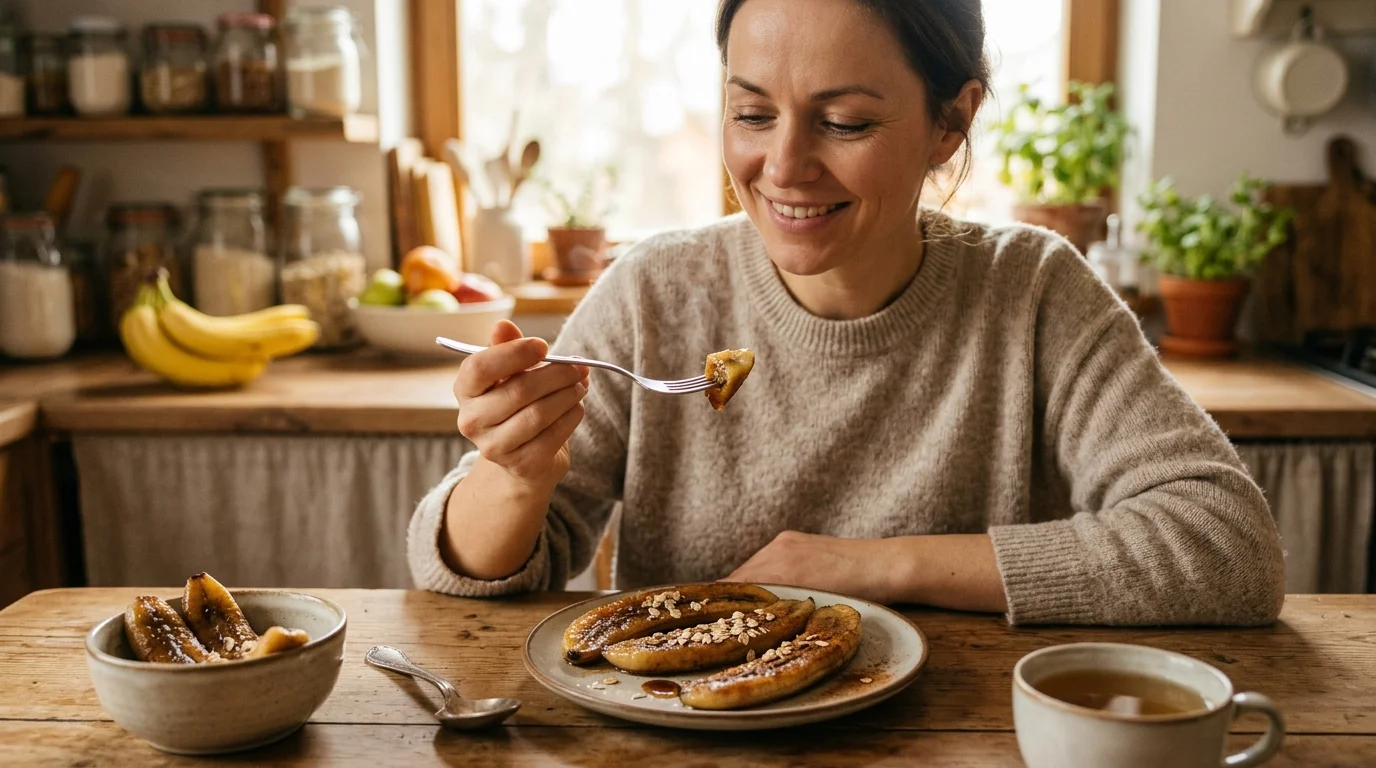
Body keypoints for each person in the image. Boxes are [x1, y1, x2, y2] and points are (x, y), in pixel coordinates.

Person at [407, 0, 1286, 626]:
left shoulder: (1033, 293)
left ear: (950, 122)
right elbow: (455, 571)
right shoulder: (657, 291)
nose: (783, 166)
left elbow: (1227, 545)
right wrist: (516, 474)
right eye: (752, 112)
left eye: (845, 123)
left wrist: (866, 567)